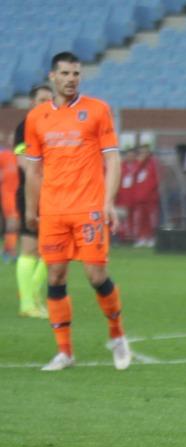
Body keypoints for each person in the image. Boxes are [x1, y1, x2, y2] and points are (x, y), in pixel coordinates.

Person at [23, 52, 132, 371]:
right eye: (66, 74)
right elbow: (33, 170)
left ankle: (116, 333)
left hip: (88, 208)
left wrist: (108, 202)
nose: (72, 79)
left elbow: (112, 159)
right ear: (52, 76)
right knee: (55, 276)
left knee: (95, 275)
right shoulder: (36, 118)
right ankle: (65, 352)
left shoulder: (97, 110)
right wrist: (32, 208)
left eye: (76, 74)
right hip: (53, 210)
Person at [12, 85, 54, 317]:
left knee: (54, 250)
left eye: (49, 100)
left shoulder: (55, 129)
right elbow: (25, 164)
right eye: (41, 100)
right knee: (30, 248)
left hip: (54, 195)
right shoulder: (25, 127)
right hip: (31, 193)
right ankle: (27, 304)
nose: (45, 104)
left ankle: (33, 295)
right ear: (32, 103)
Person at [130, 144, 159, 247]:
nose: (143, 155)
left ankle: (151, 238)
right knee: (140, 220)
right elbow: (133, 176)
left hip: (150, 198)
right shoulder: (138, 165)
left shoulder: (153, 164)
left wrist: (150, 193)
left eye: (145, 152)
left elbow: (155, 181)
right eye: (141, 152)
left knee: (151, 220)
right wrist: (139, 163)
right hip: (139, 198)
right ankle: (141, 238)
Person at [1, 129, 18, 260]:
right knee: (12, 222)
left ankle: (9, 250)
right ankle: (8, 251)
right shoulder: (4, 155)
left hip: (18, 194)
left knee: (15, 222)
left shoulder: (17, 155)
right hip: (8, 194)